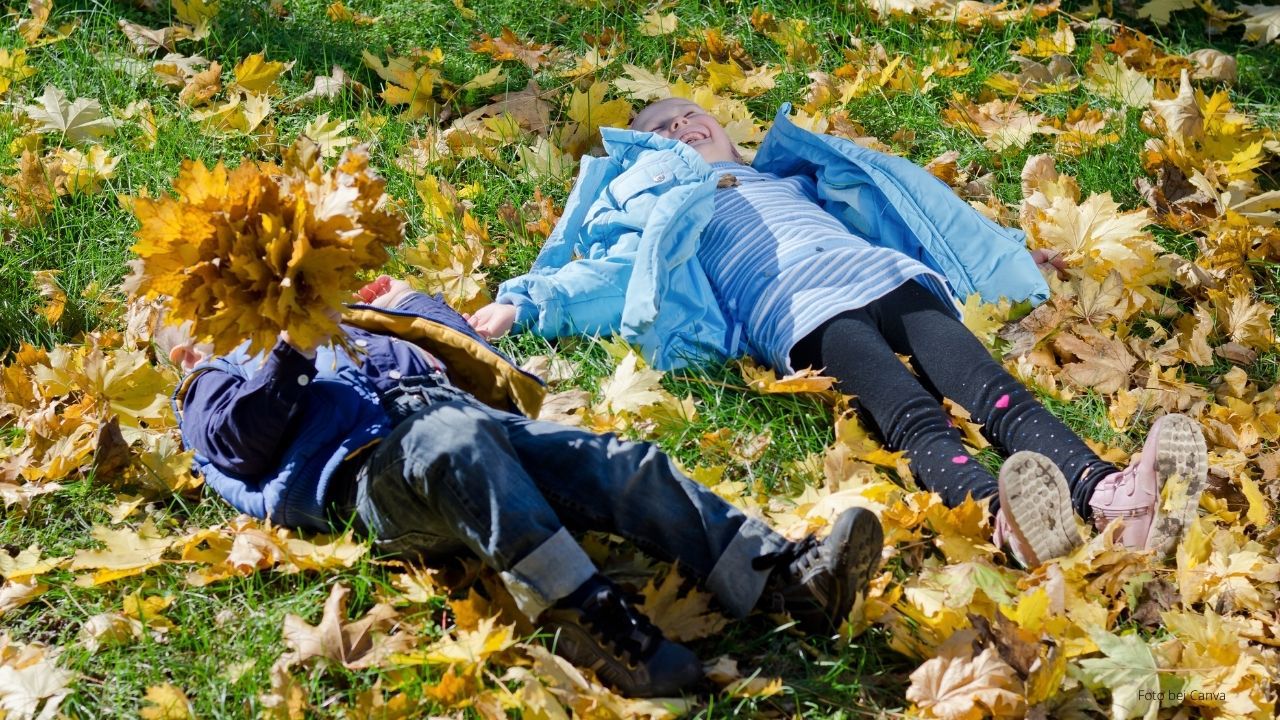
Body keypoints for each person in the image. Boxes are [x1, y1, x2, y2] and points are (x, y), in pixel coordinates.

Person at [466, 97, 1209, 567]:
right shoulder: (666, 210)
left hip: (892, 280)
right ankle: (1001, 518)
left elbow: (923, 220)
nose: (681, 126)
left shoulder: (793, 179)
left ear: (725, 131)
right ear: (650, 155)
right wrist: (527, 305)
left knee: (993, 391)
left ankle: (1110, 494)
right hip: (802, 314)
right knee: (912, 417)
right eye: (660, 128)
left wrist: (1009, 258)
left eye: (693, 116)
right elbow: (611, 275)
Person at [161, 276, 884, 698]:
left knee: (618, 462)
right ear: (189, 347)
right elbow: (240, 440)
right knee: (452, 444)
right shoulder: (207, 384)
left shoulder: (352, 323)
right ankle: (591, 618)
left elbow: (465, 358)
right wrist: (290, 351)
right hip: (370, 478)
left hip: (468, 423)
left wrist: (409, 305)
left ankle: (780, 578)